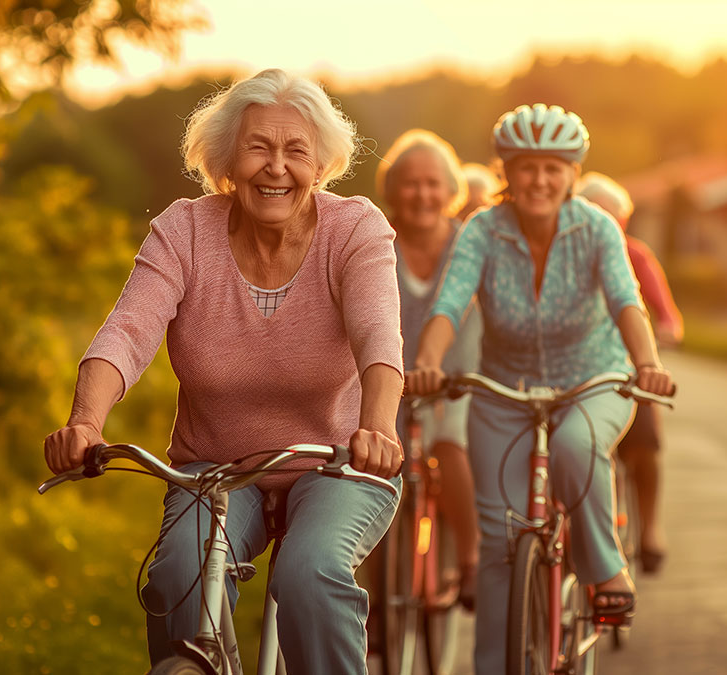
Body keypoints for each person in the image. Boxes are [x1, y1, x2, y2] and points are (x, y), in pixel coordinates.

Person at [42, 68, 405, 674]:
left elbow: (378, 335)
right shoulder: (184, 231)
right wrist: (85, 421)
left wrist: (378, 428)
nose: (276, 166)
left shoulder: (355, 229)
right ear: (227, 160)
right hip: (212, 469)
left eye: (296, 151)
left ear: (320, 166)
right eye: (258, 147)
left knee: (311, 573)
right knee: (177, 576)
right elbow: (128, 331)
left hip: (340, 461)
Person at [405, 103, 675, 673]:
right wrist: (427, 362)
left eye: (554, 167)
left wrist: (646, 363)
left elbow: (628, 302)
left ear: (573, 173)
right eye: (526, 167)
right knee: (502, 543)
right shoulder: (483, 230)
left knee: (578, 446)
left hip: (593, 379)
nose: (540, 180)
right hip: (504, 391)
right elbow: (451, 302)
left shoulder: (596, 228)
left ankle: (604, 569)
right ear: (507, 170)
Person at [376, 129, 482, 607]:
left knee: (448, 443)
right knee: (374, 465)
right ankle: (372, 598)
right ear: (393, 188)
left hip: (454, 377)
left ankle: (471, 559)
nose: (423, 194)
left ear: (451, 189)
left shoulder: (470, 244)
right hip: (388, 378)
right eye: (411, 183)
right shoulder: (376, 241)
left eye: (433, 183)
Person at [577, 171, 684, 574]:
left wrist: (668, 331)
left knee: (645, 443)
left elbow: (665, 310)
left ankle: (651, 528)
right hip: (577, 370)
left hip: (625, 372)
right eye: (596, 213)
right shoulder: (563, 251)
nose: (606, 225)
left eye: (615, 218)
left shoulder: (636, 256)